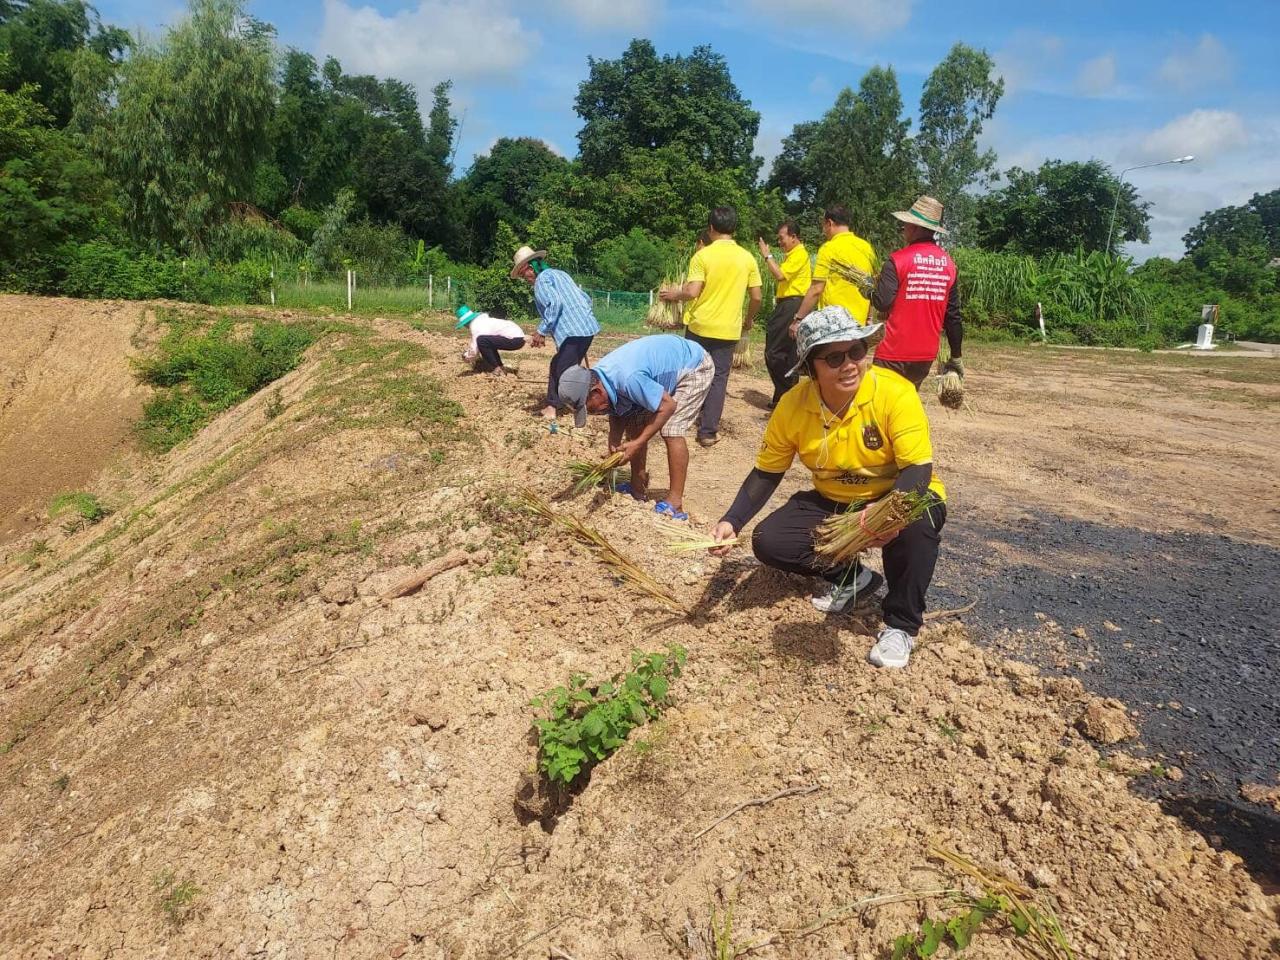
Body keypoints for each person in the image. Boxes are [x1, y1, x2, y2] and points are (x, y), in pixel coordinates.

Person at [709, 307, 947, 669]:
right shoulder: (792, 406)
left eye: (857, 351)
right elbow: (766, 473)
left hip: (896, 494)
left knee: (918, 524)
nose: (849, 364)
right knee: (770, 540)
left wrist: (886, 516)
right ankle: (854, 578)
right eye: (834, 358)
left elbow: (917, 467)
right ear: (810, 367)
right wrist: (732, 520)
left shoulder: (895, 393)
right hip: (835, 499)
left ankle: (901, 624)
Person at [557, 335, 714, 521]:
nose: (594, 414)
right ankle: (637, 488)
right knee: (634, 424)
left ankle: (675, 503)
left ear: (596, 392)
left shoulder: (628, 379)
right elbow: (618, 410)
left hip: (693, 365)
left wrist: (638, 443)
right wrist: (614, 439)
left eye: (590, 409)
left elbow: (668, 406)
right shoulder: (600, 378)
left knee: (672, 429)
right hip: (662, 366)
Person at [659, 206, 762, 448]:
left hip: (699, 327)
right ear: (734, 229)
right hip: (728, 329)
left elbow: (692, 291)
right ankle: (707, 432)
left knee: (690, 372)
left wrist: (674, 293)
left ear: (711, 228)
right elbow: (757, 296)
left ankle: (677, 422)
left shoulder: (703, 256)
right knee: (718, 378)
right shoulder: (747, 257)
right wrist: (748, 319)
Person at [870, 196, 964, 389]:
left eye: (905, 224)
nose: (903, 229)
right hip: (924, 357)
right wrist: (956, 356)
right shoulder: (949, 265)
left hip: (893, 353)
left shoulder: (897, 260)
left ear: (914, 227)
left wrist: (867, 291)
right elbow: (953, 317)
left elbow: (882, 302)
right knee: (905, 407)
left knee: (880, 409)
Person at [510, 245, 600, 420]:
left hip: (573, 331)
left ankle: (553, 407)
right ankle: (579, 399)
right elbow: (586, 299)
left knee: (559, 367)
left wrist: (541, 331)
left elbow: (555, 304)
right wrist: (583, 319)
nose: (524, 279)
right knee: (567, 365)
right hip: (587, 328)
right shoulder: (560, 274)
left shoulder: (541, 281)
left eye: (523, 274)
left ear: (531, 267)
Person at [792, 205, 876, 334]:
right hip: (859, 322)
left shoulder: (828, 248)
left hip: (834, 324)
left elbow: (816, 289)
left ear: (829, 223)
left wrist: (798, 319)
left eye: (823, 226)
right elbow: (870, 286)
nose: (823, 230)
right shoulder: (866, 248)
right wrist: (869, 317)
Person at [757, 220, 811, 407]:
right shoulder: (793, 254)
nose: (780, 242)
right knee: (787, 354)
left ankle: (787, 393)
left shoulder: (799, 253)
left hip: (792, 304)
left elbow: (780, 275)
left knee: (773, 352)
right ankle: (784, 397)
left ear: (794, 237)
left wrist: (767, 255)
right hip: (789, 304)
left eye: (782, 238)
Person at [455, 304, 526, 377]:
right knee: (488, 343)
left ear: (465, 323)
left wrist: (466, 356)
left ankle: (497, 368)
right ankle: (500, 367)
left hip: (515, 339)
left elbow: (474, 349)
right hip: (519, 337)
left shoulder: (475, 326)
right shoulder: (482, 321)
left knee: (482, 341)